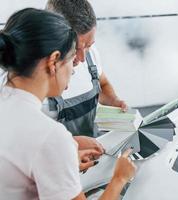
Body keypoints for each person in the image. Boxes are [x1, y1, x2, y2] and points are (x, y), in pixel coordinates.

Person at [0, 8, 136, 200]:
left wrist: (65, 153)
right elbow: (42, 144)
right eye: (72, 59)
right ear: (54, 61)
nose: (74, 69)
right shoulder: (50, 136)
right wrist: (120, 178)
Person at [43, 0, 127, 151]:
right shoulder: (30, 77)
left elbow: (103, 84)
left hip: (96, 151)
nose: (82, 58)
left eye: (88, 45)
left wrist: (114, 101)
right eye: (76, 48)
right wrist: (72, 144)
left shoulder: (90, 55)